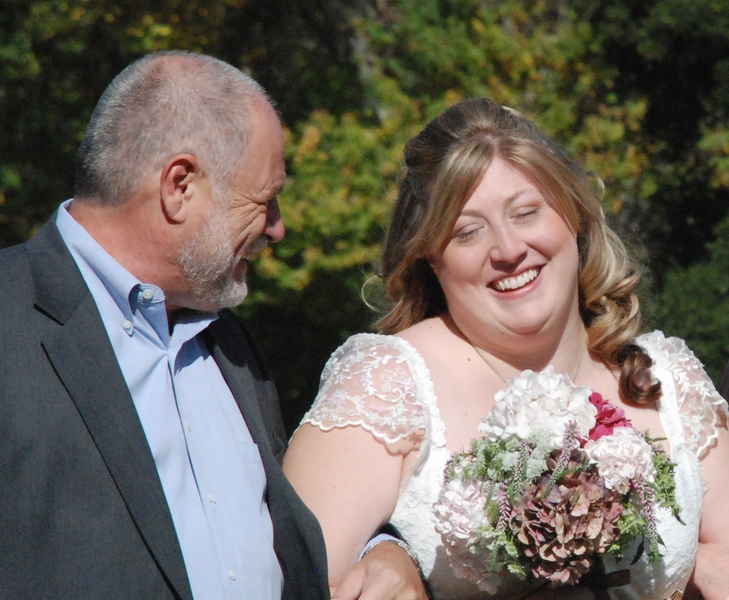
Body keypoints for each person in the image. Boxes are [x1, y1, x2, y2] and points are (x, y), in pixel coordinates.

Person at [0, 50, 424, 600]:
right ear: (179, 186)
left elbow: (295, 530)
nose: (278, 229)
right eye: (265, 201)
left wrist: (387, 552)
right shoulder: (13, 318)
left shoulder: (226, 341)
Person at [283, 97, 729, 599]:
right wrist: (387, 550)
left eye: (526, 212)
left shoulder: (666, 378)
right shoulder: (389, 385)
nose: (509, 250)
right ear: (430, 256)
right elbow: (291, 579)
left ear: (573, 214)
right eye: (467, 232)